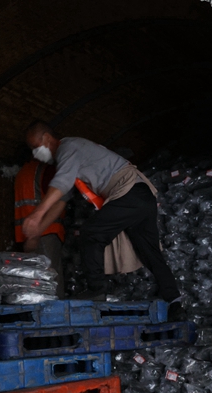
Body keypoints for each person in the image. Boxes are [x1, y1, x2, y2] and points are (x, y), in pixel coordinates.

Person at [22, 121, 185, 320]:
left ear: (47, 138)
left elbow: (61, 184)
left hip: (129, 191)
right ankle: (175, 303)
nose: (34, 153)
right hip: (141, 196)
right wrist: (38, 230)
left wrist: (36, 214)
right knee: (149, 251)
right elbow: (61, 201)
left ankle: (96, 290)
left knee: (91, 233)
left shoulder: (68, 147)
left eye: (34, 146)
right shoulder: (71, 157)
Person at [13, 160, 66, 298]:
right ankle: (57, 314)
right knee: (51, 279)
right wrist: (35, 234)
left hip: (24, 235)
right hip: (46, 232)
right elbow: (60, 200)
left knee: (33, 280)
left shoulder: (22, 173)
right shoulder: (45, 171)